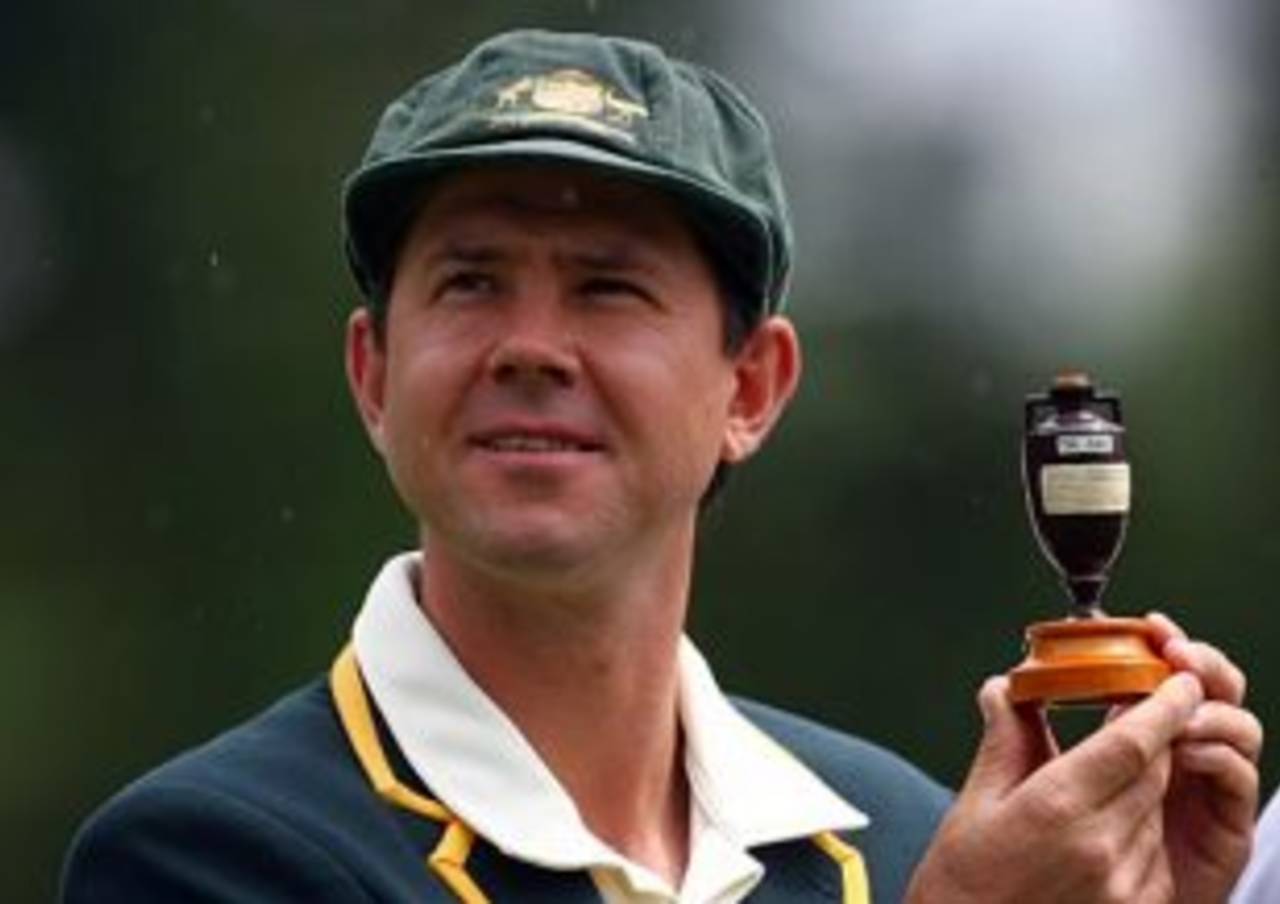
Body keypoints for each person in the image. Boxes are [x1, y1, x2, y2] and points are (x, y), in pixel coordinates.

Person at [61, 29, 1260, 904]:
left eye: (607, 286)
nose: (531, 348)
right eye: (472, 280)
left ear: (749, 389)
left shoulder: (900, 835)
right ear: (375, 373)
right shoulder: (207, 856)